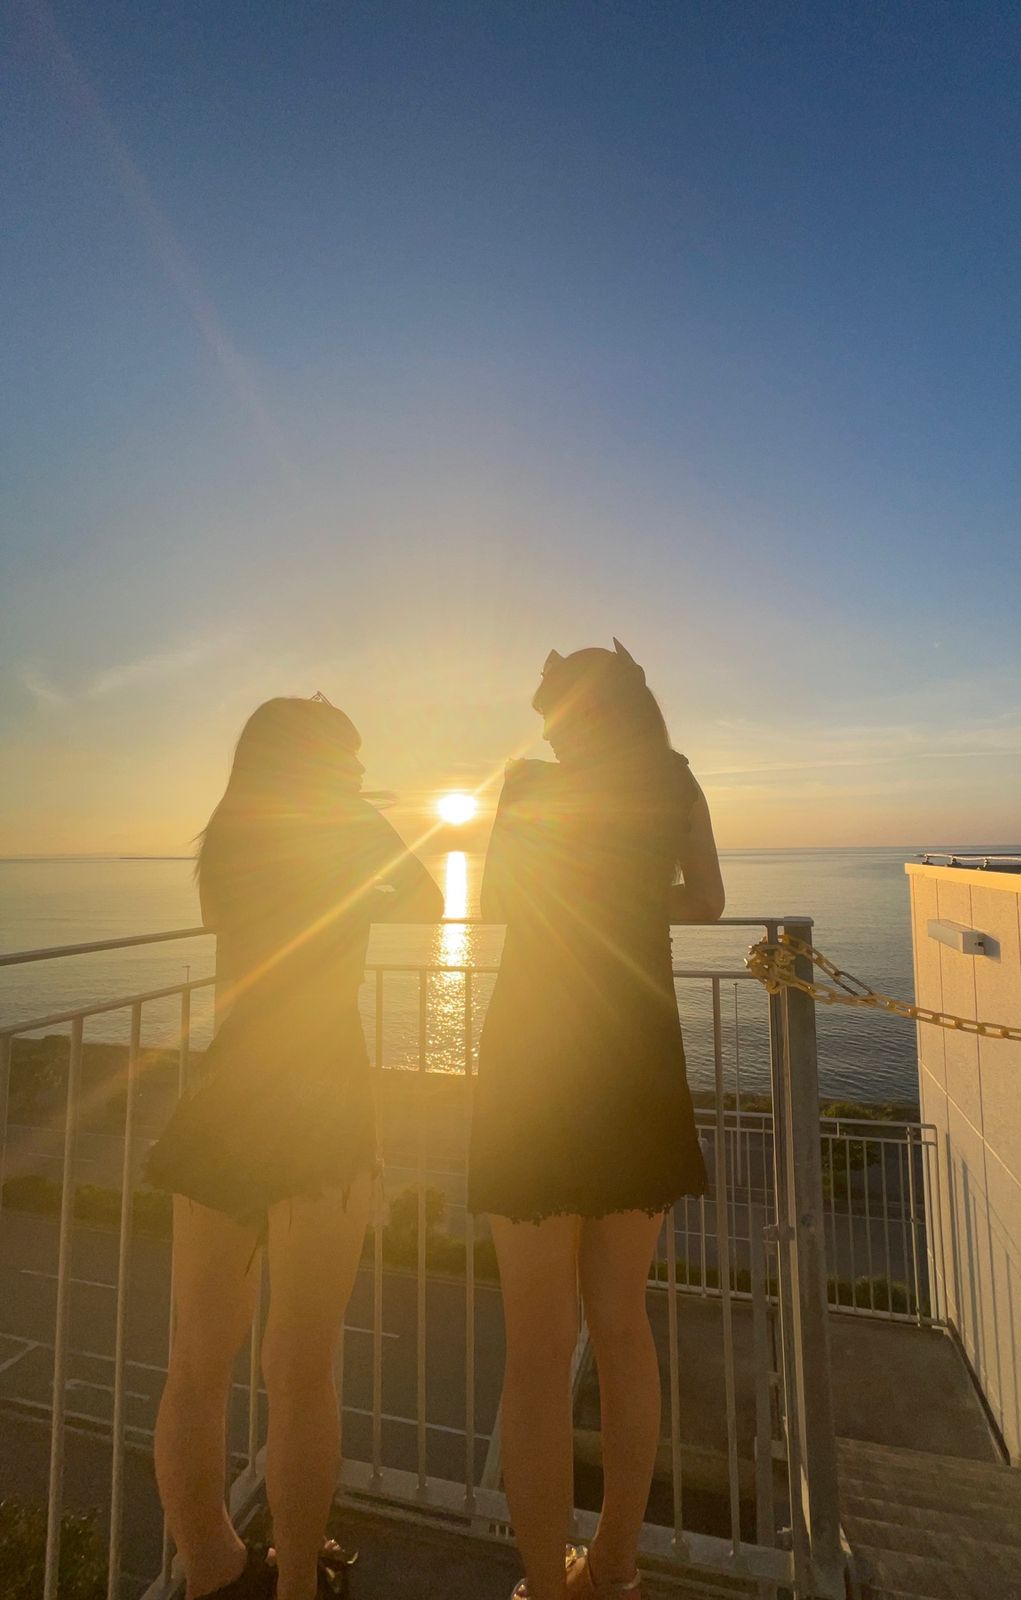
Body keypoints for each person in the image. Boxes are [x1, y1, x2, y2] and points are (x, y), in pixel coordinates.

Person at [145, 695, 442, 1600]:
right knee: (301, 1370)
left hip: (228, 1093)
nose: (357, 772)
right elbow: (426, 901)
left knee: (196, 1363)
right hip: (321, 1100)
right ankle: (298, 1586)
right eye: (346, 760)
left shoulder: (231, 836)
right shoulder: (343, 831)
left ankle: (208, 1573)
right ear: (322, 765)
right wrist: (360, 808)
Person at [467, 641, 725, 1600]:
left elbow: (500, 900)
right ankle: (614, 1568)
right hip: (636, 1065)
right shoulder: (676, 780)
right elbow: (707, 898)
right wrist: (628, 900)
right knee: (622, 1326)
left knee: (537, 1350)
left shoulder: (529, 786)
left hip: (535, 1067)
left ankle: (543, 1580)